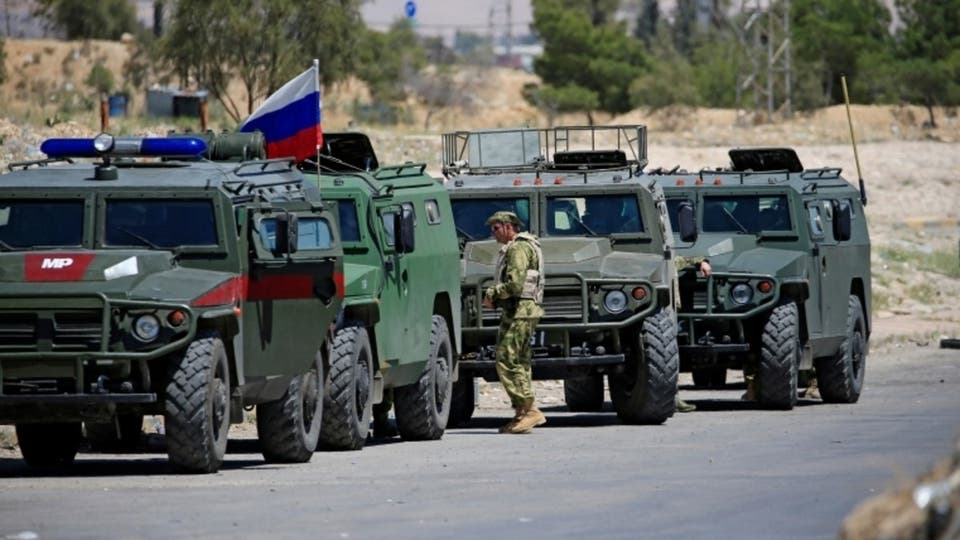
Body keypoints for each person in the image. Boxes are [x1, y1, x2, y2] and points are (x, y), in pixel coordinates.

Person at [482, 211, 546, 434]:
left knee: (507, 359)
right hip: (522, 311)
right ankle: (522, 412)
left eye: (496, 229)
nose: (493, 234)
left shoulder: (518, 248)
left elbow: (516, 285)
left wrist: (492, 293)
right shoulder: (525, 245)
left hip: (521, 311)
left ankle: (529, 410)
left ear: (509, 227)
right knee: (520, 360)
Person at [673, 256, 713, 412]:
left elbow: (685, 259)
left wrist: (702, 262)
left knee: (671, 357)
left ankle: (673, 398)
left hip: (667, 314)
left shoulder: (669, 260)